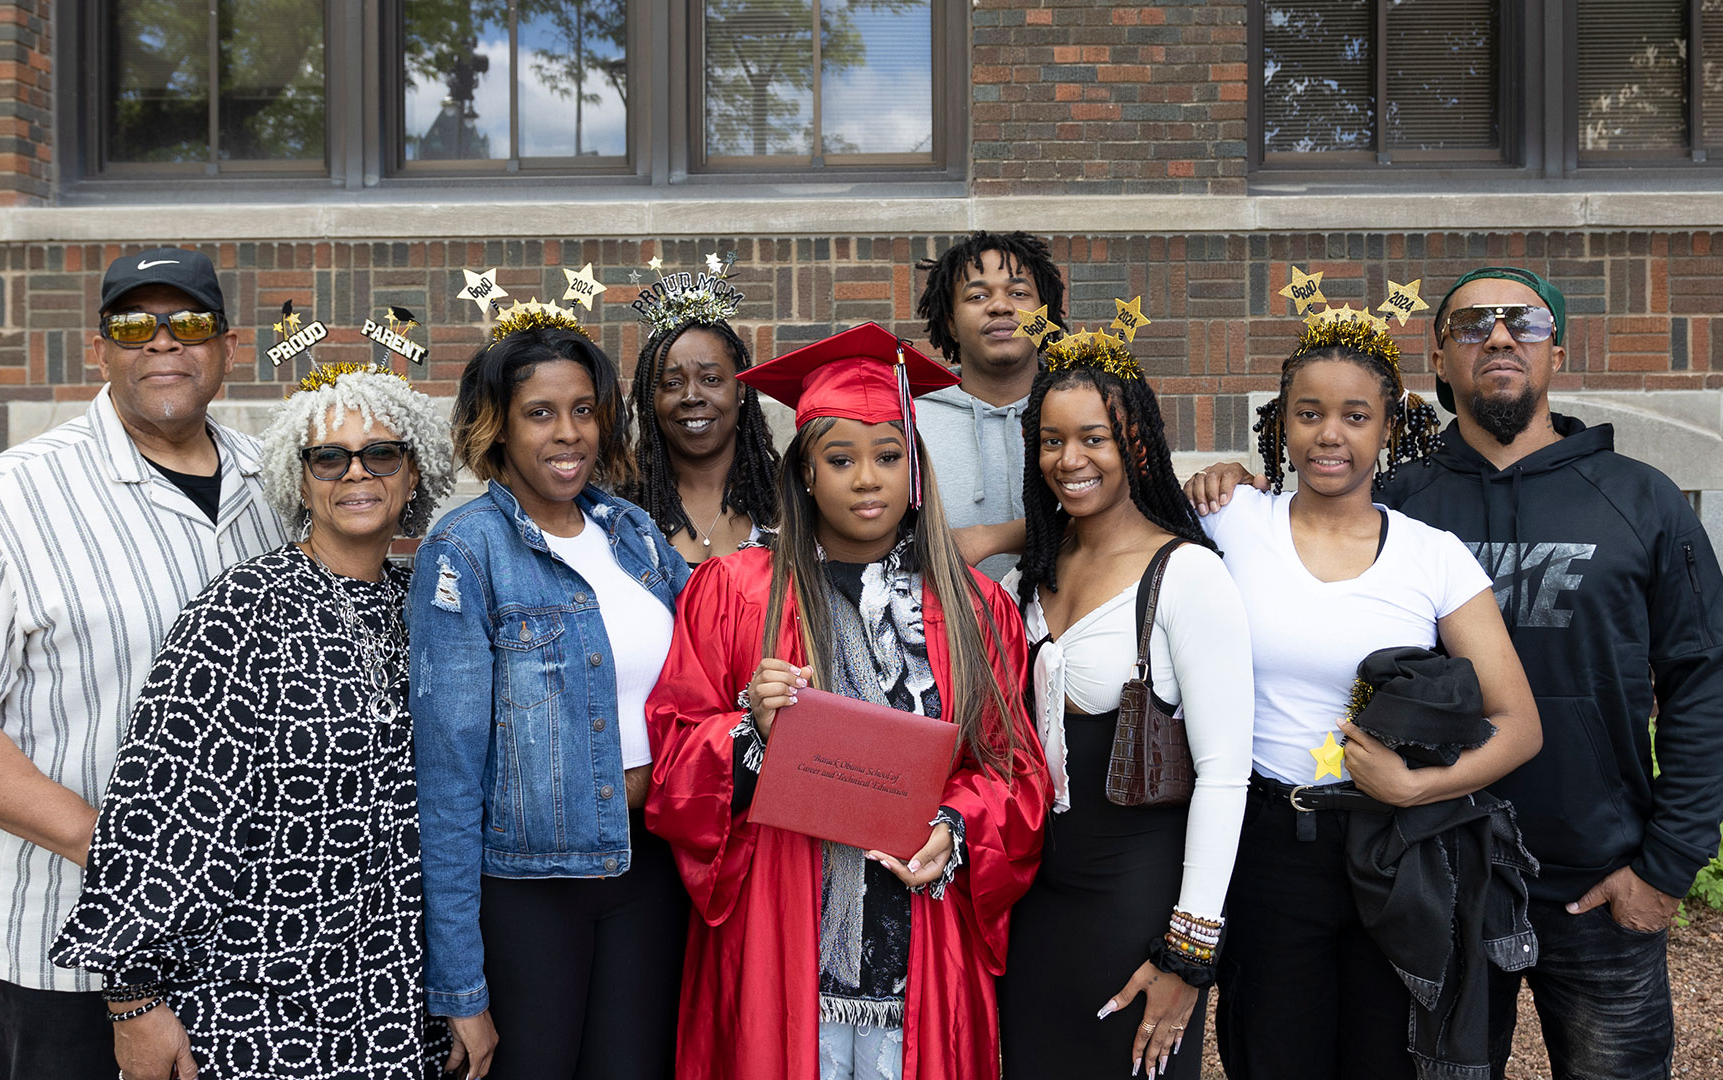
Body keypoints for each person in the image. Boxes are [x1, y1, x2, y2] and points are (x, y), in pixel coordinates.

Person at [1188, 267, 1723, 1080]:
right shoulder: (1402, 501)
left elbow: (1700, 680)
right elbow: (1310, 504)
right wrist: (1234, 480)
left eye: (1525, 321)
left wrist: (1666, 866)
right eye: (1473, 324)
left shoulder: (1641, 500)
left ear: (1559, 347)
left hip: (1588, 875)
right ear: (1439, 360)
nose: (1501, 337)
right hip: (1432, 870)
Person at [0, 248, 284, 1080]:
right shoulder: (12, 499)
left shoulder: (274, 483)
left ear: (229, 347)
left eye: (190, 323)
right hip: (66, 948)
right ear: (100, 350)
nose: (163, 344)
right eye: (134, 325)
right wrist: (117, 848)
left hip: (246, 939)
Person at [644, 322, 1051, 1080]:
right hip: (782, 921)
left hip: (922, 931)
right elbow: (672, 761)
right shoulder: (734, 593)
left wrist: (956, 827)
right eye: (840, 460)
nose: (868, 479)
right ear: (804, 473)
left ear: (916, 469)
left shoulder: (976, 608)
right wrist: (751, 732)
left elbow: (1016, 770)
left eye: (889, 456)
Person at [50, 363, 459, 1080]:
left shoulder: (429, 604)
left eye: (382, 453)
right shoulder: (242, 610)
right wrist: (134, 999)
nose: (356, 473)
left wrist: (461, 986)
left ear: (414, 472)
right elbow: (158, 812)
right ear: (298, 481)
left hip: (396, 997)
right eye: (328, 457)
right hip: (259, 1000)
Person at [1196, 313, 1541, 1080]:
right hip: (1266, 841)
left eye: (1356, 416)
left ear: (1389, 429)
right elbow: (1105, 527)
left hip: (1396, 848)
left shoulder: (1432, 557)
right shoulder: (1228, 521)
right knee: (1272, 1050)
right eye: (1309, 413)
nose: (1330, 435)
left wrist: (1419, 785)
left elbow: (1519, 726)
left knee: (1388, 1056)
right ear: (1279, 425)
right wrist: (987, 539)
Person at [408, 308, 692, 1080]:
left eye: (582, 411)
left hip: (652, 869)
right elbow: (447, 779)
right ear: (497, 427)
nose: (568, 434)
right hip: (531, 893)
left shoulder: (630, 532)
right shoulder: (464, 552)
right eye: (540, 414)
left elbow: (714, 656)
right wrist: (461, 984)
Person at [996, 334, 1254, 1080]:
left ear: (1135, 442)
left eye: (1092, 437)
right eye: (1051, 440)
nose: (1069, 458)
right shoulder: (1034, 573)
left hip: (1138, 908)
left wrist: (1189, 951)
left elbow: (1224, 773)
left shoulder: (1188, 574)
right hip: (1035, 903)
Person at [915, 230, 1068, 579]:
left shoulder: (1088, 408)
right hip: (946, 627)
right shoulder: (908, 421)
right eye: (978, 295)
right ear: (951, 323)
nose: (1001, 306)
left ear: (1046, 316)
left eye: (1018, 293)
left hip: (1071, 625)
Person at [623, 266, 780, 564]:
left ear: (741, 388)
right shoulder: (625, 510)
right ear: (650, 399)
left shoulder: (784, 500)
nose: (692, 397)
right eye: (672, 383)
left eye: (711, 379)